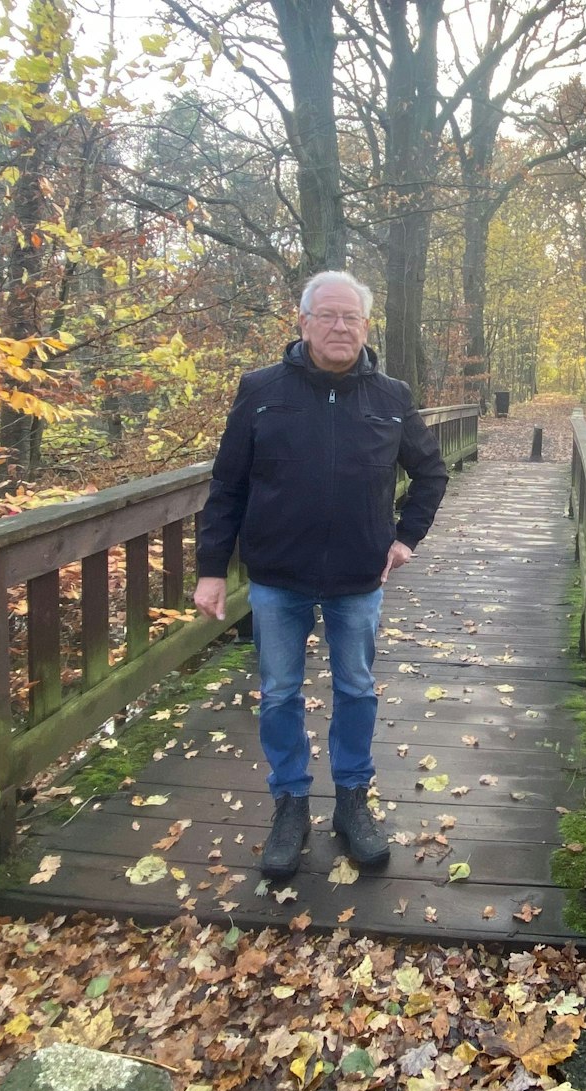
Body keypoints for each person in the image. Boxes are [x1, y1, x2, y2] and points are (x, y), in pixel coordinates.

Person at [192, 271, 449, 879]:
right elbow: (227, 485)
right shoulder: (260, 391)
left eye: (351, 317)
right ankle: (290, 802)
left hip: (358, 577)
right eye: (327, 316)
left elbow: (431, 474)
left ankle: (352, 802)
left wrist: (405, 539)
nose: (340, 327)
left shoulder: (391, 396)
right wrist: (210, 570)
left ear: (365, 326)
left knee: (356, 689)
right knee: (280, 691)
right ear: (303, 322)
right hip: (277, 577)